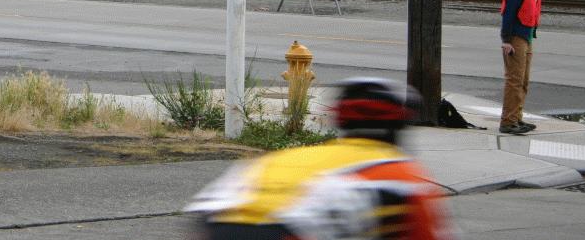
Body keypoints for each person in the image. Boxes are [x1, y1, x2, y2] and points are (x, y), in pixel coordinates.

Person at [187, 77, 456, 240]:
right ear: (400, 126)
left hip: (216, 224)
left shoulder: (282, 158)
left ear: (338, 121)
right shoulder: (402, 175)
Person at [499, 0, 543, 135]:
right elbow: (508, 13)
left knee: (523, 81)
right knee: (514, 81)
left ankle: (516, 118)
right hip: (516, 38)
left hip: (527, 38)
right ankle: (508, 122)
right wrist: (506, 40)